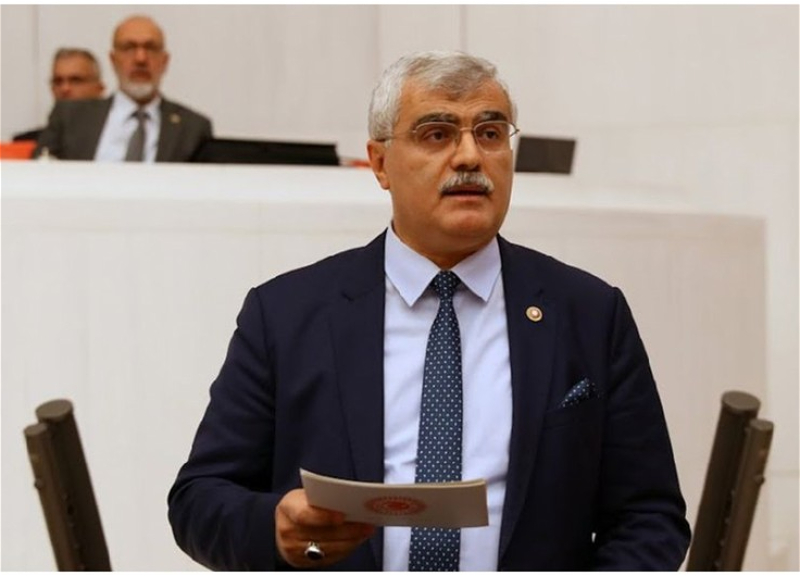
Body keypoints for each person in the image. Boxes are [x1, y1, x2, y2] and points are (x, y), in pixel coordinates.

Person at [167, 51, 691, 570]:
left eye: (490, 133)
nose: (469, 157)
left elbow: (649, 517)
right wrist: (274, 531)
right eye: (437, 134)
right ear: (379, 163)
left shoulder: (589, 313)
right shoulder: (286, 314)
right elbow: (199, 498)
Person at [34, 15, 212, 162]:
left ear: (164, 61)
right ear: (113, 60)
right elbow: (38, 177)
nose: (141, 58)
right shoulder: (70, 117)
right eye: (129, 48)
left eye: (150, 48)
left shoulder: (192, 128)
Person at [12, 48, 105, 142]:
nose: (65, 88)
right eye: (58, 81)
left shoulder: (110, 139)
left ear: (99, 89)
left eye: (76, 80)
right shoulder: (26, 142)